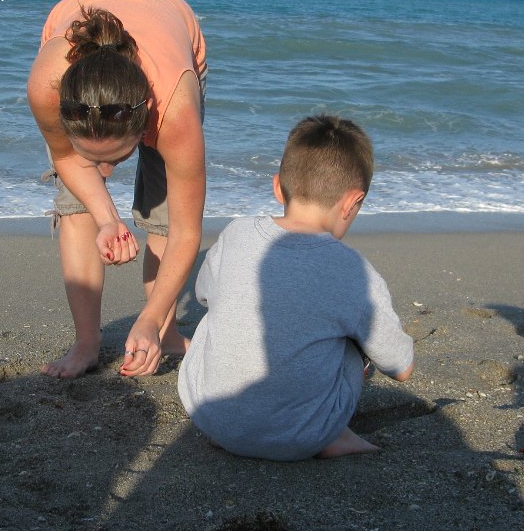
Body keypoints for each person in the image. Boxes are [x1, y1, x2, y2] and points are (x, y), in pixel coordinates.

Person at [178, 115, 415, 460]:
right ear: (352, 202)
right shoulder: (353, 270)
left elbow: (202, 294)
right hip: (303, 437)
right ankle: (337, 435)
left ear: (278, 187)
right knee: (353, 342)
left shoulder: (235, 234)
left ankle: (238, 427)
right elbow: (401, 368)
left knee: (220, 312)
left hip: (212, 418)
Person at [27, 0, 207, 378]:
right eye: (92, 159)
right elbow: (66, 158)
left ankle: (165, 332)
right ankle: (85, 344)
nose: (105, 170)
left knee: (164, 215)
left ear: (145, 127)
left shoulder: (175, 113)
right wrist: (106, 218)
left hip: (172, 33)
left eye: (117, 158)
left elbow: (185, 232)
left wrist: (150, 318)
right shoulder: (47, 87)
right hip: (75, 28)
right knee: (76, 204)